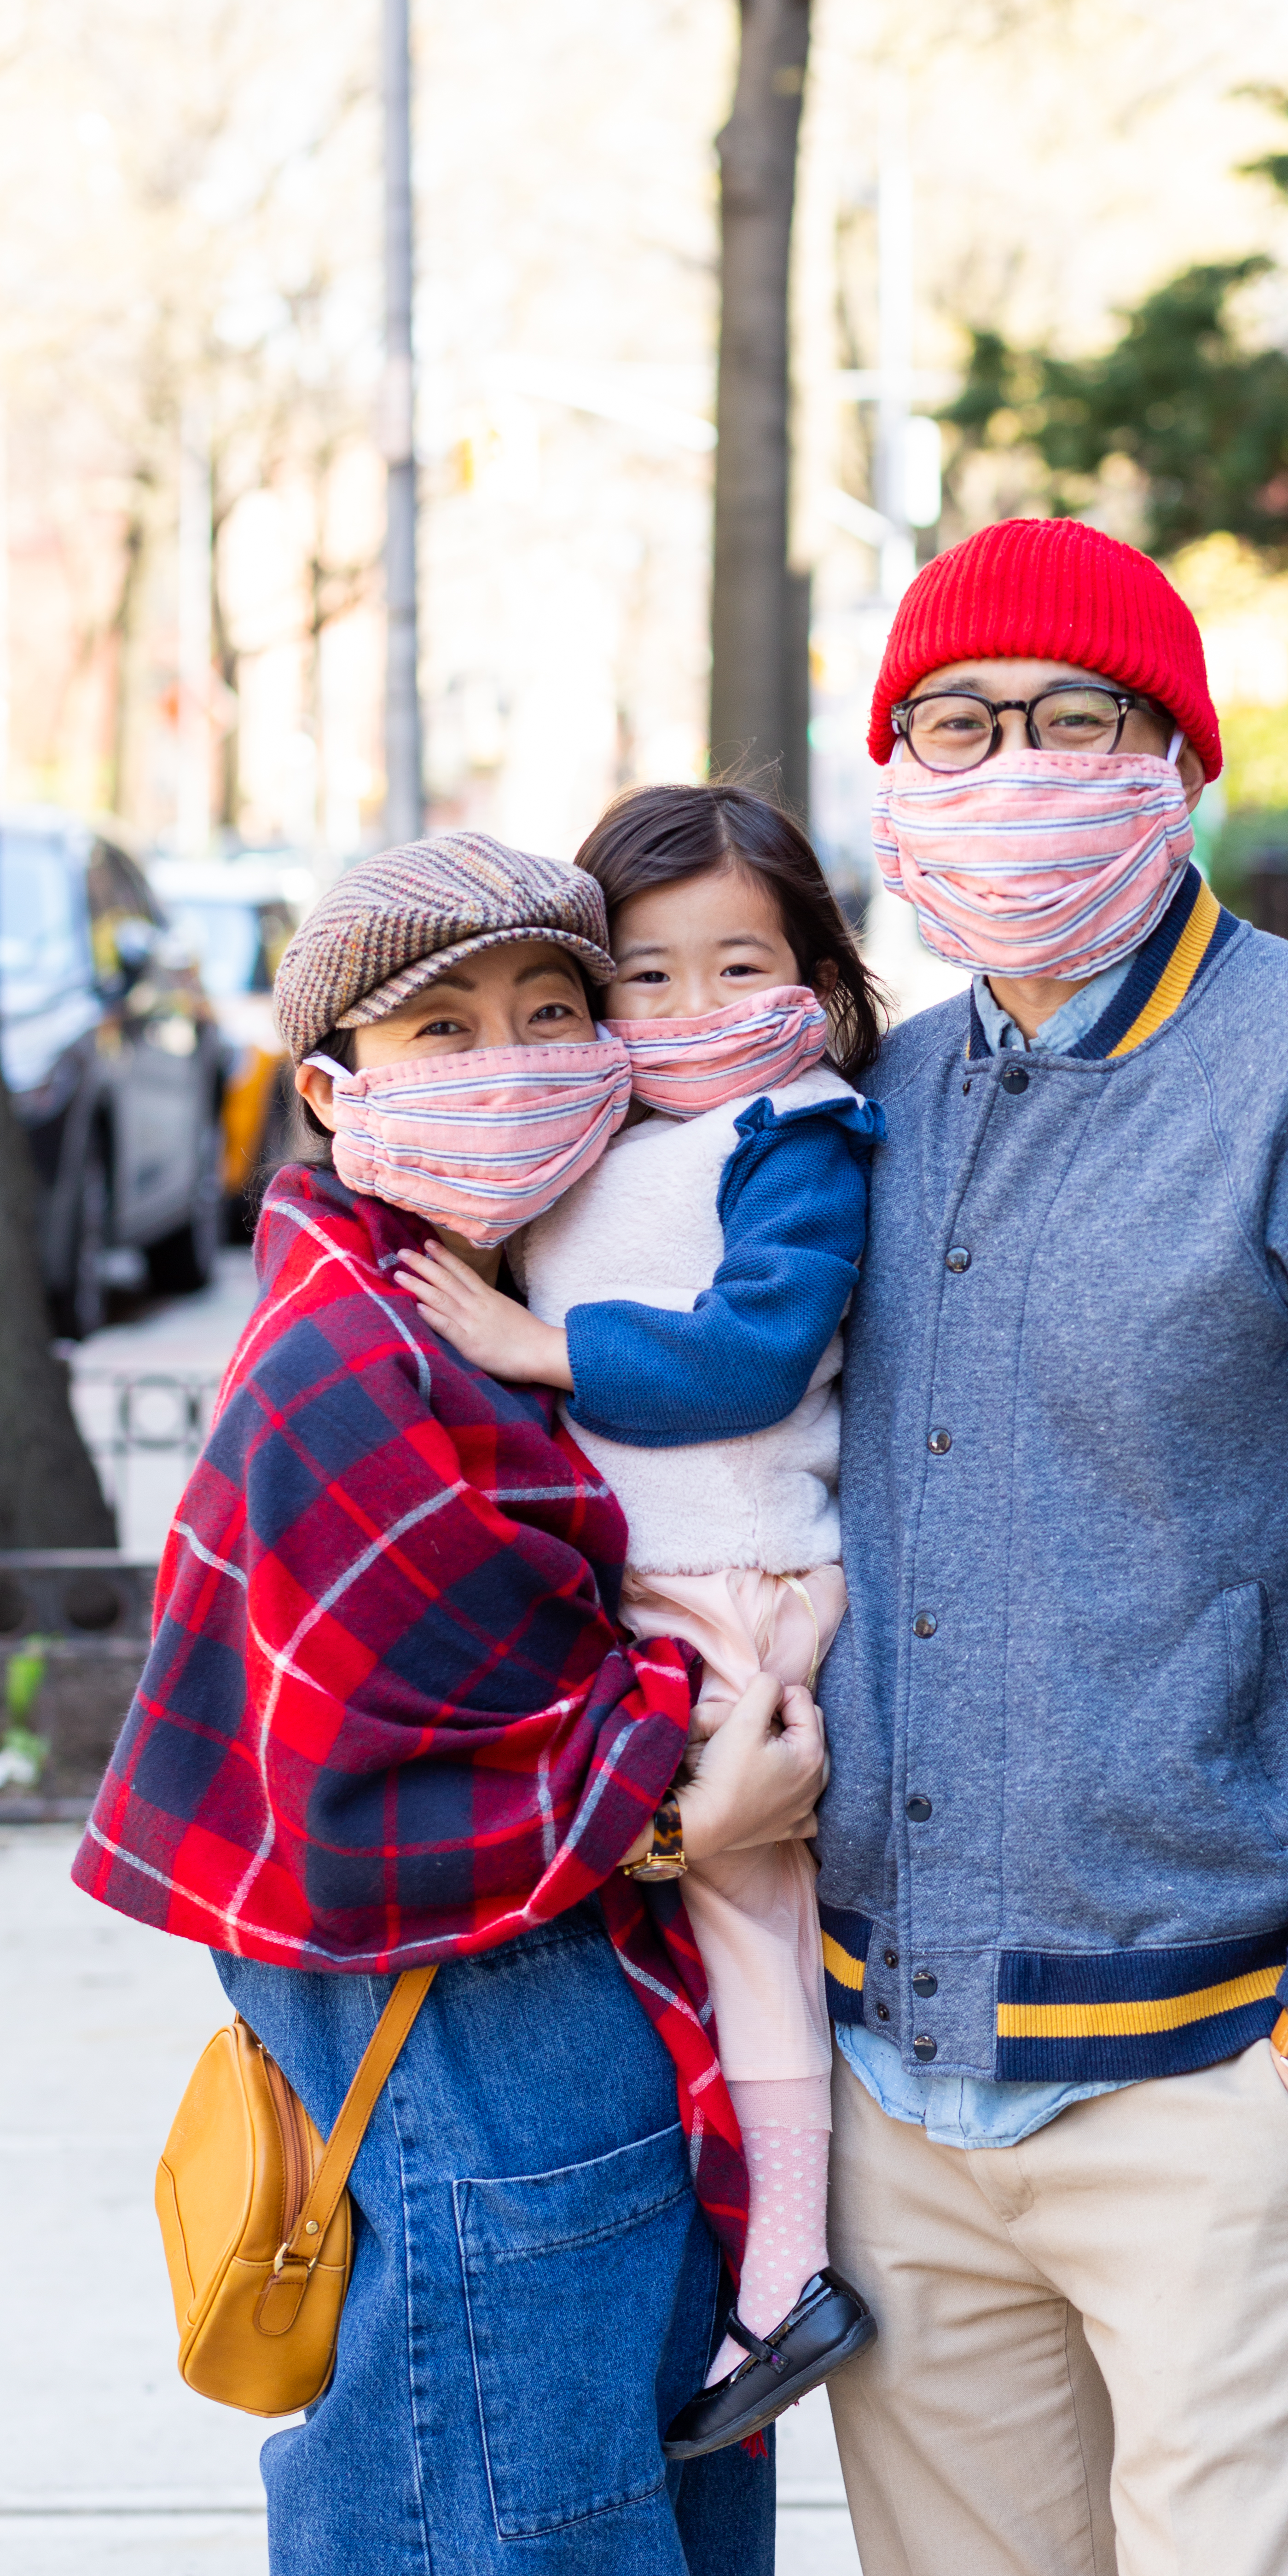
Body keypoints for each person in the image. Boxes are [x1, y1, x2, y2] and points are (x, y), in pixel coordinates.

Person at [812, 517, 1288, 2576]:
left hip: (1221, 2073)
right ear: (896, 771)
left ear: (1179, 761)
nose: (1012, 765)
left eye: (1074, 720)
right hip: (898, 2079)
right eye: (958, 726)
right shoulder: (883, 1097)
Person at [73, 831, 825, 2576]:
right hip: (478, 2057)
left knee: (611, 2536)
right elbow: (391, 1775)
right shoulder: (351, 1361)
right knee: (520, 2567)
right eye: (444, 1030)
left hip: (581, 2055)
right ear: (332, 1090)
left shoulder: (529, 1306)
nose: (512, 1061)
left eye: (553, 1011)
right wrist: (692, 1796)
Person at [395, 786, 890, 2455]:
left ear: (815, 982)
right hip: (646, 1585)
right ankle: (737, 2253)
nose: (686, 1013)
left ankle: (790, 2284)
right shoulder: (611, 1139)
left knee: (746, 1917)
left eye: (733, 966)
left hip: (736, 1576)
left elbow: (757, 1349)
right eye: (644, 979)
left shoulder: (800, 1129)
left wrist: (545, 1349)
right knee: (679, 1924)